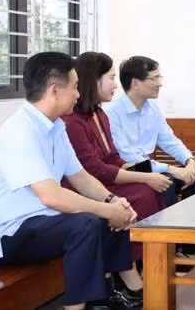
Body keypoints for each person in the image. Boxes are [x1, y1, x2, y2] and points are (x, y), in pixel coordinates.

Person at [0, 52, 143, 310]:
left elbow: (81, 177)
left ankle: (111, 294)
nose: (79, 94)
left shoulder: (56, 127)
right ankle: (78, 307)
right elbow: (51, 196)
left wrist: (113, 201)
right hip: (7, 235)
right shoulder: (19, 132)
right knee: (86, 223)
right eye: (75, 87)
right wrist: (105, 209)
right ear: (54, 90)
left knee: (111, 213)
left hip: (42, 221)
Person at [62, 52, 170, 264]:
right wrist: (145, 177)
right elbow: (95, 169)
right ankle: (131, 265)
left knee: (155, 188)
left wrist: (140, 171)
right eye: (111, 78)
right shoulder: (73, 122)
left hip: (105, 180)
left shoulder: (100, 115)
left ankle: (146, 260)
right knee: (143, 193)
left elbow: (112, 157)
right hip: (86, 187)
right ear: (94, 80)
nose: (116, 84)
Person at [106, 56, 195, 208]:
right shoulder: (112, 113)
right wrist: (170, 169)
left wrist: (189, 161)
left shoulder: (153, 109)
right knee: (166, 183)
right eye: (155, 78)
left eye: (160, 77)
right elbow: (128, 157)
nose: (160, 83)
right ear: (135, 83)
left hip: (150, 168)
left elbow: (169, 140)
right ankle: (165, 230)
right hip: (127, 171)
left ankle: (191, 227)